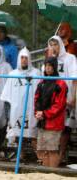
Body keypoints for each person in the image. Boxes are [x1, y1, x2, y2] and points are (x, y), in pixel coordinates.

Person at [44, 35, 77, 163]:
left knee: (65, 127)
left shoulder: (70, 58)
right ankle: (52, 155)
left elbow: (74, 79)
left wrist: (73, 97)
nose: (53, 47)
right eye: (51, 45)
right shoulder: (48, 60)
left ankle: (61, 154)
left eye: (55, 44)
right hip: (52, 99)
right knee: (52, 127)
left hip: (67, 98)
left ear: (61, 45)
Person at [1, 47, 41, 151]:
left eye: (26, 58)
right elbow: (7, 95)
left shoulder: (36, 73)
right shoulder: (13, 74)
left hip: (30, 108)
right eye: (22, 57)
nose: (24, 60)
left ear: (29, 59)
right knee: (18, 134)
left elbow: (39, 92)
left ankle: (39, 157)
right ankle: (21, 155)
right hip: (16, 108)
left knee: (32, 134)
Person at [35, 57, 67, 168]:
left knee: (52, 150)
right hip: (42, 122)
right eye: (46, 66)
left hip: (54, 123)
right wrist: (38, 112)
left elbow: (59, 105)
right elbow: (36, 99)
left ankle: (52, 172)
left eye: (50, 66)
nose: (48, 68)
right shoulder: (41, 82)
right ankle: (45, 172)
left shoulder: (61, 84)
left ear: (54, 67)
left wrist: (44, 113)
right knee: (43, 150)